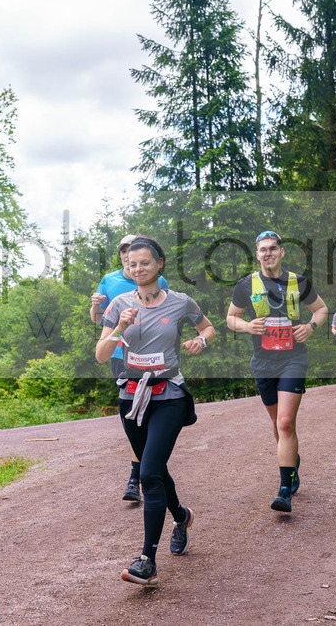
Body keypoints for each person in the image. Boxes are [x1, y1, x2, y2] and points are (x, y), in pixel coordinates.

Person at [97, 236, 215, 587]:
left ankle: (147, 560)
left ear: (159, 263)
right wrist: (119, 328)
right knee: (156, 469)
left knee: (148, 474)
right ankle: (181, 516)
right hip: (131, 397)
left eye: (144, 263)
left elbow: (207, 326)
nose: (138, 269)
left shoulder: (180, 303)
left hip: (169, 396)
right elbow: (102, 355)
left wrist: (201, 340)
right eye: (132, 264)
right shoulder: (118, 304)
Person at [226, 230, 328, 514]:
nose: (268, 253)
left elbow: (321, 310)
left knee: (284, 422)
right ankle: (292, 462)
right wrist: (247, 326)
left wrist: (311, 327)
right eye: (263, 250)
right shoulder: (245, 285)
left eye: (273, 248)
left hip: (293, 359)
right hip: (262, 362)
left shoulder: (299, 282)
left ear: (282, 252)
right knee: (278, 423)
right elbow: (231, 318)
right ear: (257, 255)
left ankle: (284, 488)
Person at [90, 234, 170, 503]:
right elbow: (99, 320)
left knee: (146, 413)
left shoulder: (157, 279)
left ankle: (141, 473)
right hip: (118, 354)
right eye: (124, 251)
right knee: (134, 414)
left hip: (149, 355)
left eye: (132, 250)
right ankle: (140, 474)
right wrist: (94, 306)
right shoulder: (109, 280)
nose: (128, 255)